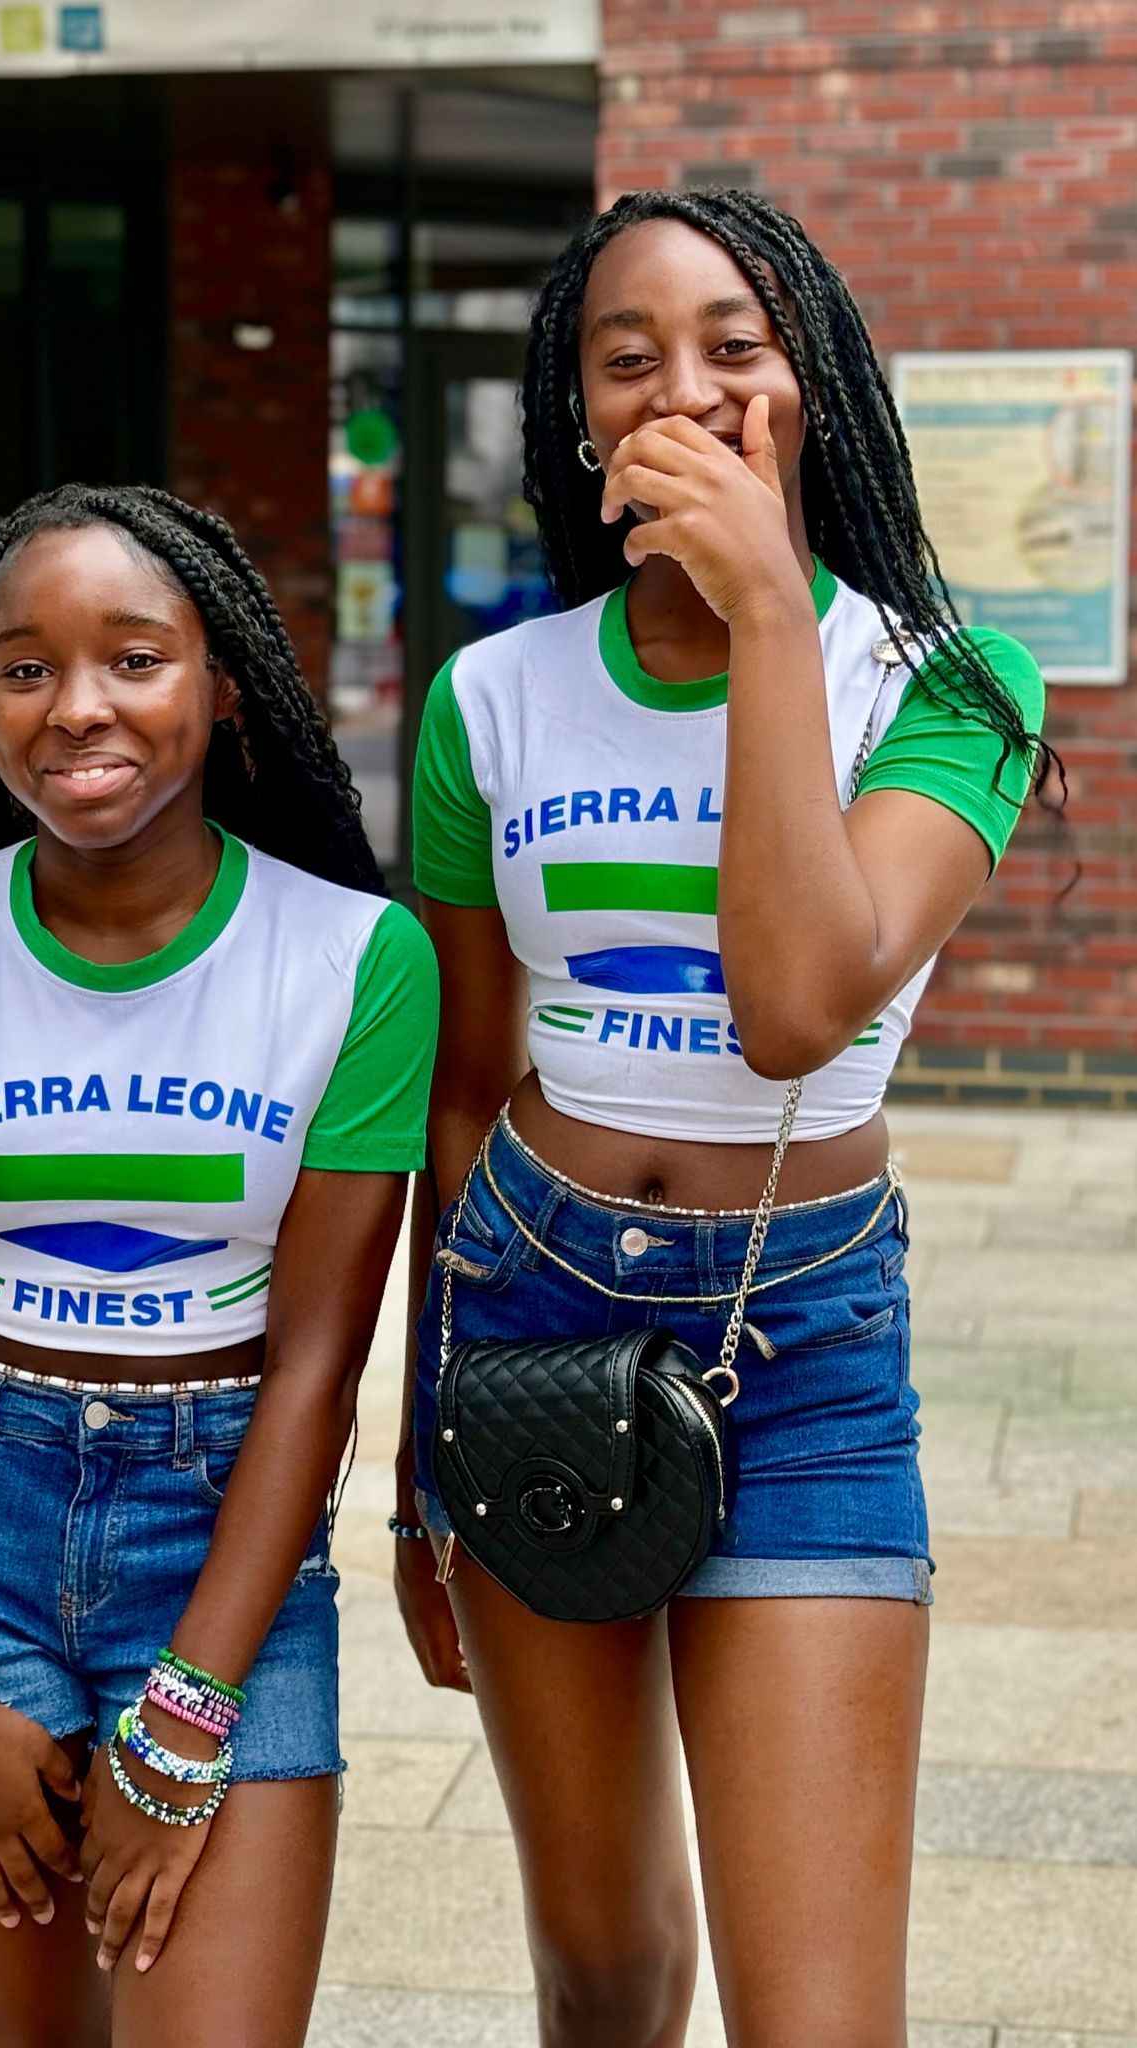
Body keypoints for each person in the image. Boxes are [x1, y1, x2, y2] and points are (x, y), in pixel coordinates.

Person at [395, 189, 1050, 2048]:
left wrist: (769, 600)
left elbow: (794, 1006)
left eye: (732, 346)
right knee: (601, 1977)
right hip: (524, 1308)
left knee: (819, 2020)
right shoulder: (488, 701)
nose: (680, 388)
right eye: (626, 359)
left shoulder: (953, 687)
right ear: (577, 422)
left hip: (805, 1340)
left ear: (812, 387)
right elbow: (453, 1103)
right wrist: (410, 1466)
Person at [0, 483, 437, 2048]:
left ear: (222, 690)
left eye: (134, 659)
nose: (76, 705)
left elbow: (314, 1370)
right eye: (24, 669)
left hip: (222, 1535)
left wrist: (192, 1713)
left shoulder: (356, 959)